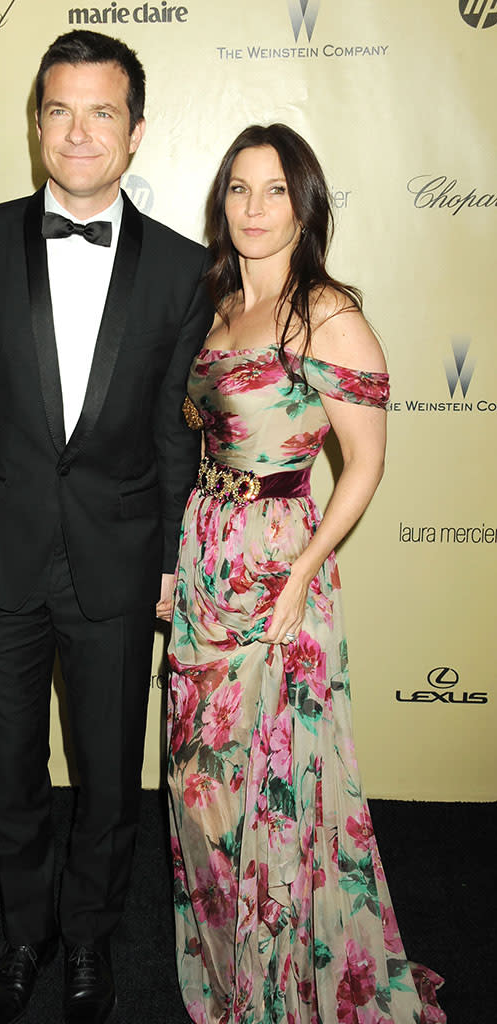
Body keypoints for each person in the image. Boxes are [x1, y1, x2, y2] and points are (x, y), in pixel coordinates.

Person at [0, 29, 212, 1024]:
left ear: (134, 133)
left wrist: (171, 557)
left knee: (106, 775)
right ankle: (22, 931)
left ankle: (88, 933)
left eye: (101, 112)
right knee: (5, 774)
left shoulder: (184, 270)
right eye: (59, 109)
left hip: (119, 567)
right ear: (37, 121)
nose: (77, 130)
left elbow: (180, 438)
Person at [165, 125, 445, 1023]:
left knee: (268, 788)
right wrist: (177, 564)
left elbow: (361, 463)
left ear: (304, 204)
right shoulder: (212, 308)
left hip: (278, 563)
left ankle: (281, 987)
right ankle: (226, 971)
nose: (253, 207)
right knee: (198, 784)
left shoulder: (327, 314)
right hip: (206, 556)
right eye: (239, 189)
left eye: (274, 190)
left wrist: (303, 572)